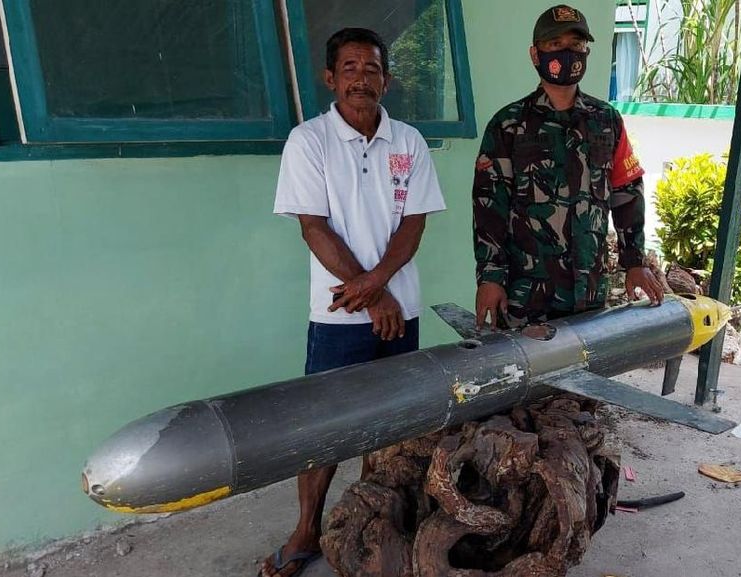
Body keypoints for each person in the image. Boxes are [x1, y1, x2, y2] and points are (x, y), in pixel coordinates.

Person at [264, 27, 446, 577]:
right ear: (330, 77)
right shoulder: (309, 141)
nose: (361, 79)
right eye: (349, 69)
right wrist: (372, 295)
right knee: (325, 428)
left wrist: (379, 289)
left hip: (399, 310)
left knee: (389, 426)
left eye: (371, 70)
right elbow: (313, 229)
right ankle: (305, 532)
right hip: (337, 313)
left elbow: (413, 226)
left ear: (386, 80)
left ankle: (371, 522)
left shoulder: (409, 142)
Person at [473, 4, 664, 331]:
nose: (568, 52)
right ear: (536, 54)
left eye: (577, 45)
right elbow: (489, 205)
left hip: (588, 293)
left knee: (584, 378)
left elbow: (626, 192)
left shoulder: (607, 121)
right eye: (555, 44)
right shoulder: (508, 124)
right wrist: (490, 277)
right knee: (525, 380)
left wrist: (634, 261)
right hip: (527, 295)